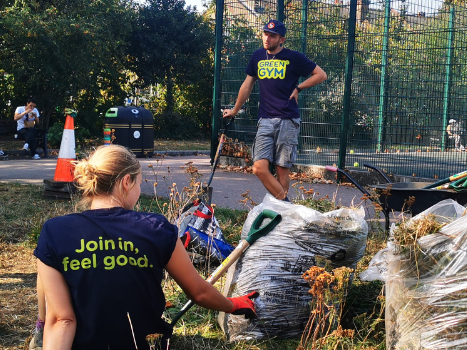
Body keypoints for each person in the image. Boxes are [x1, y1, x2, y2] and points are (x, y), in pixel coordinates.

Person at [33, 145, 259, 349]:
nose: (139, 192)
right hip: (142, 343)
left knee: (47, 255)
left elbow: (63, 320)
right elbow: (199, 292)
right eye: (140, 183)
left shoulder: (56, 230)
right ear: (126, 182)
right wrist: (234, 304)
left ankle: (39, 328)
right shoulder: (156, 228)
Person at [222, 20, 327, 201]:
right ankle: (286, 205)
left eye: (272, 36)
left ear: (281, 39)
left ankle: (281, 214)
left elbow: (321, 75)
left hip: (288, 120)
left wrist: (299, 88)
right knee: (259, 168)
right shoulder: (257, 56)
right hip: (265, 120)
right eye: (265, 34)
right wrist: (234, 110)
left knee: (281, 170)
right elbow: (247, 86)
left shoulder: (293, 57)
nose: (267, 38)